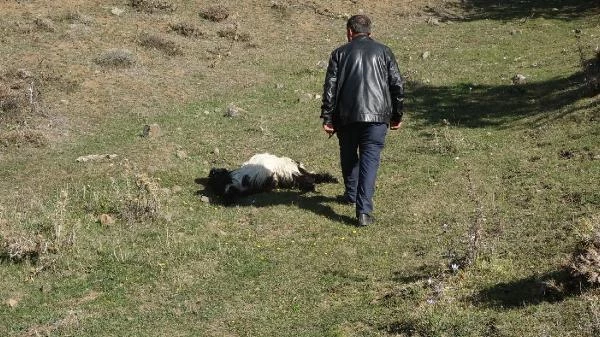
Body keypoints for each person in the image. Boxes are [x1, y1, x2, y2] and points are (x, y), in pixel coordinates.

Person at [320, 14, 404, 227]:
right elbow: (397, 86)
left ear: (350, 31)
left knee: (348, 155)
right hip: (377, 117)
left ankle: (350, 194)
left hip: (347, 116)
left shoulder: (339, 53)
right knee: (370, 160)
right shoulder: (384, 52)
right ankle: (363, 211)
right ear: (370, 32)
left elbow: (330, 89)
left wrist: (328, 117)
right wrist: (397, 115)